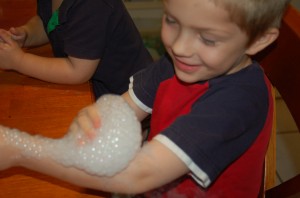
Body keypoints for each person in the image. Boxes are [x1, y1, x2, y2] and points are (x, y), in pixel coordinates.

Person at [0, 0, 291, 197]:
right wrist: (97, 117)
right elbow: (124, 107)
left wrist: (20, 150)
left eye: (208, 39)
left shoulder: (238, 102)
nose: (178, 46)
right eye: (172, 20)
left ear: (259, 40)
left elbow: (138, 175)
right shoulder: (179, 63)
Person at [0, 0, 153, 98]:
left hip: (126, 97)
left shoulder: (92, 5)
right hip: (93, 88)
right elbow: (49, 21)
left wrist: (18, 61)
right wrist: (27, 34)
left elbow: (77, 71)